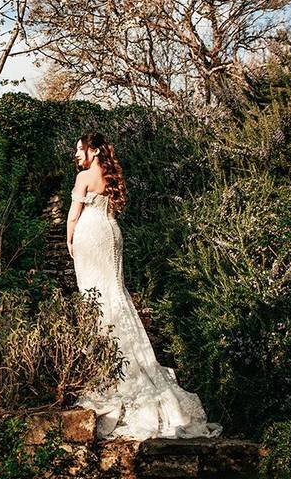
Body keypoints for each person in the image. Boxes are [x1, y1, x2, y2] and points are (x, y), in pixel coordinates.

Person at [67, 132, 223, 440]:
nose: (76, 154)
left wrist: (70, 241)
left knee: (96, 299)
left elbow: (73, 217)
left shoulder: (85, 177)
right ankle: (127, 364)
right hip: (111, 233)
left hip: (90, 235)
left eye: (79, 149)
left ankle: (113, 376)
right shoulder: (110, 176)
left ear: (94, 150)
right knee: (114, 294)